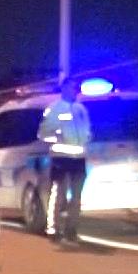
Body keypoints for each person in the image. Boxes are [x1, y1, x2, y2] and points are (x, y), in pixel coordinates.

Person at [37, 79, 92, 245]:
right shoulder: (54, 108)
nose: (74, 91)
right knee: (59, 194)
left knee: (76, 197)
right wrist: (59, 137)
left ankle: (72, 230)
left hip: (79, 159)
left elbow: (87, 130)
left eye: (75, 88)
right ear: (64, 89)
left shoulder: (81, 109)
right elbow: (42, 134)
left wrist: (87, 138)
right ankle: (54, 229)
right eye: (71, 88)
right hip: (61, 158)